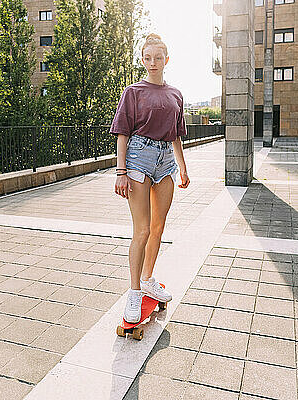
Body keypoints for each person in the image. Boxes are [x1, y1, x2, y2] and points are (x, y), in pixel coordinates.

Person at [110, 33, 190, 323]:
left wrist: (182, 167)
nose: (153, 62)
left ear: (166, 60)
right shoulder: (133, 92)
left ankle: (147, 280)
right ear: (142, 60)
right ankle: (133, 293)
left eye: (158, 58)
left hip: (166, 161)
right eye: (147, 58)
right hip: (139, 159)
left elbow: (177, 135)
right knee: (141, 230)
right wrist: (120, 171)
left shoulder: (176, 94)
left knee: (158, 228)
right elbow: (122, 133)